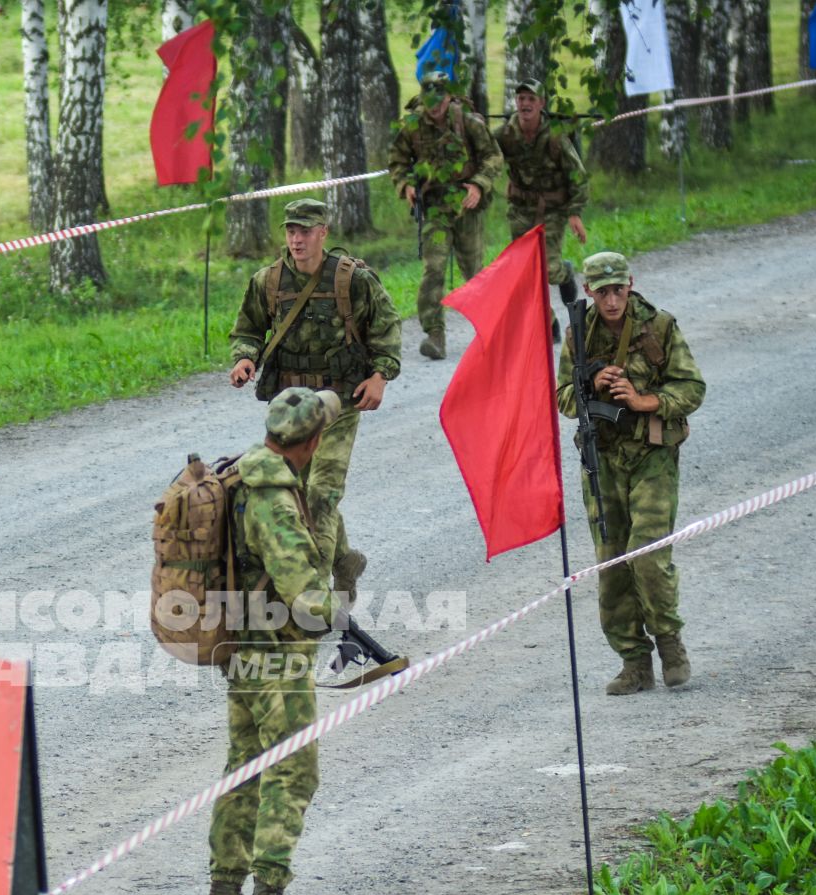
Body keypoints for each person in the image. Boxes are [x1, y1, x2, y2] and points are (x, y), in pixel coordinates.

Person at [202, 387, 343, 895]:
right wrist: (338, 603)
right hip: (276, 656)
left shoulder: (236, 474)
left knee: (244, 766)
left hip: (239, 646)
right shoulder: (275, 498)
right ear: (312, 441)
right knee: (293, 770)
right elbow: (307, 601)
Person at [227, 197, 403, 606]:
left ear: (324, 232)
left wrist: (380, 376)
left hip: (340, 402)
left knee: (322, 495)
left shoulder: (351, 279)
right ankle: (343, 561)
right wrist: (244, 358)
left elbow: (386, 326)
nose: (297, 239)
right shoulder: (268, 281)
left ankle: (312, 597)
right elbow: (248, 328)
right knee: (296, 494)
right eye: (291, 230)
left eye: (305, 231)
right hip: (291, 411)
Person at [556, 252, 706, 695]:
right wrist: (592, 386)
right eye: (602, 291)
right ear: (588, 291)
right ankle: (633, 660)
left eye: (618, 289)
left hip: (651, 454)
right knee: (613, 563)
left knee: (647, 552)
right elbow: (562, 398)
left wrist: (644, 401)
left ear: (630, 284)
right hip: (603, 460)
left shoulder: (659, 327)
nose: (612, 300)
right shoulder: (579, 334)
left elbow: (692, 387)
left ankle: (669, 642)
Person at [387, 71, 503, 361]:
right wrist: (407, 185)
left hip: (467, 204)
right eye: (429, 100)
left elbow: (493, 157)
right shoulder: (412, 126)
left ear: (449, 97)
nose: (434, 106)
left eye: (439, 99)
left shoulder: (469, 122)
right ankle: (435, 334)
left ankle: (490, 329)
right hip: (436, 206)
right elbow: (397, 162)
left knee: (473, 270)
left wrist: (479, 184)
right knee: (434, 266)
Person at [494, 78, 589, 335]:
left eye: (531, 99)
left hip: (552, 211)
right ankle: (548, 324)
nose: (525, 104)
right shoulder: (505, 134)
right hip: (520, 211)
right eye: (521, 99)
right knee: (526, 272)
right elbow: (484, 155)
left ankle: (565, 273)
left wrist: (575, 213)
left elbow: (577, 175)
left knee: (547, 269)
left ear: (541, 104)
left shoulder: (554, 136)